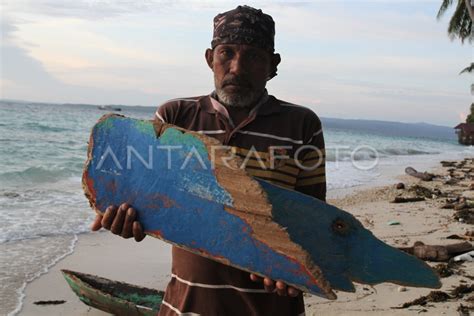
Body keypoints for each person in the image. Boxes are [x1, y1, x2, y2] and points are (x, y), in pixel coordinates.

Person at [91, 5, 326, 315]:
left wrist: (298, 268)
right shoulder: (174, 118)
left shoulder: (302, 125)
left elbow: (314, 223)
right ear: (209, 58)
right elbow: (147, 201)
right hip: (187, 305)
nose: (237, 67)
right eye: (226, 53)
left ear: (273, 65)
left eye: (253, 56)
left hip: (273, 306)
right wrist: (125, 220)